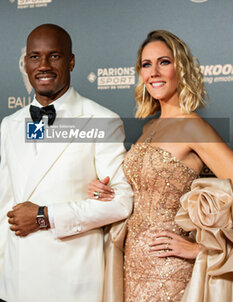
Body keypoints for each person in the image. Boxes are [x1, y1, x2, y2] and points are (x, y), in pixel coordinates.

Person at [88, 30, 233, 301]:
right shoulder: (148, 127)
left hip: (171, 274)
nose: (154, 72)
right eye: (146, 64)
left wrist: (202, 249)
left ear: (181, 68)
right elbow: (140, 196)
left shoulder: (193, 127)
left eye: (164, 62)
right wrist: (108, 192)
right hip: (130, 269)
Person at [0, 24, 133, 302]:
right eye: (35, 57)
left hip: (72, 280)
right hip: (17, 279)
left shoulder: (100, 119)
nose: (44, 65)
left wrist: (43, 216)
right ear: (25, 64)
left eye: (55, 56)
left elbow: (121, 201)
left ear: (71, 61)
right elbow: (5, 204)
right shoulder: (11, 124)